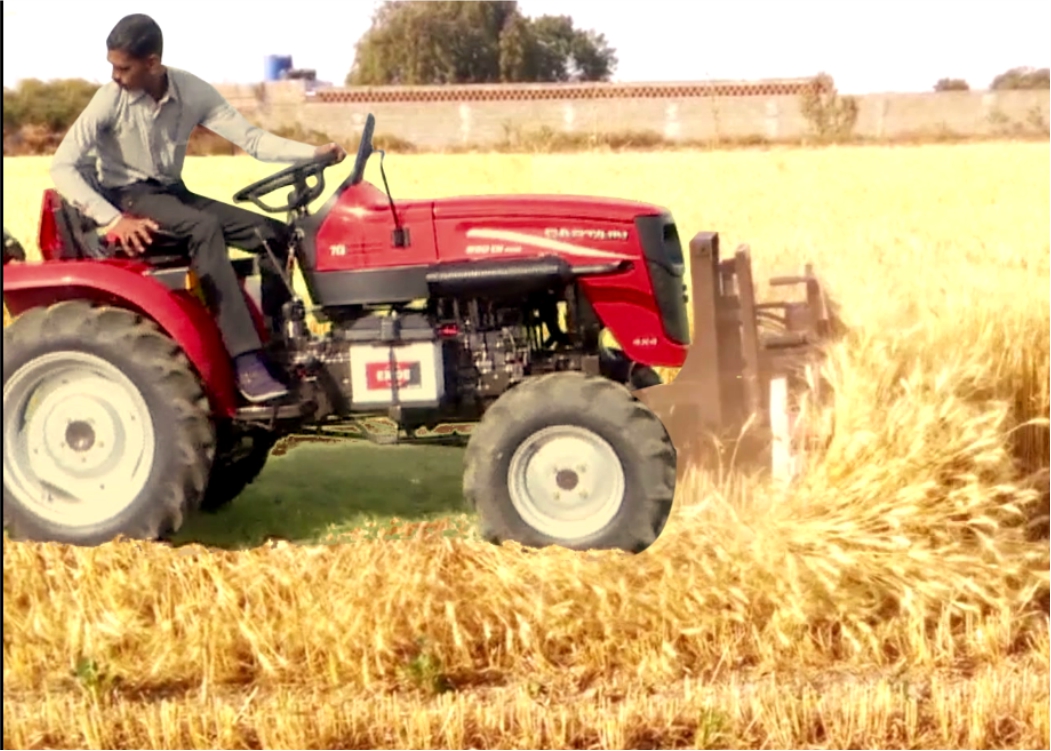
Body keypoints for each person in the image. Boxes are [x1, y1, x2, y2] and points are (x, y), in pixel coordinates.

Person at [49, 13, 347, 404]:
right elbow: (62, 166)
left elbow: (252, 140)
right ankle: (246, 361)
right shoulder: (110, 99)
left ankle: (282, 344)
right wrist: (114, 220)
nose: (115, 76)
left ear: (152, 63)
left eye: (123, 67)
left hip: (173, 192)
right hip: (130, 196)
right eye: (112, 67)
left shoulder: (192, 91)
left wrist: (312, 154)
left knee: (273, 234)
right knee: (203, 227)